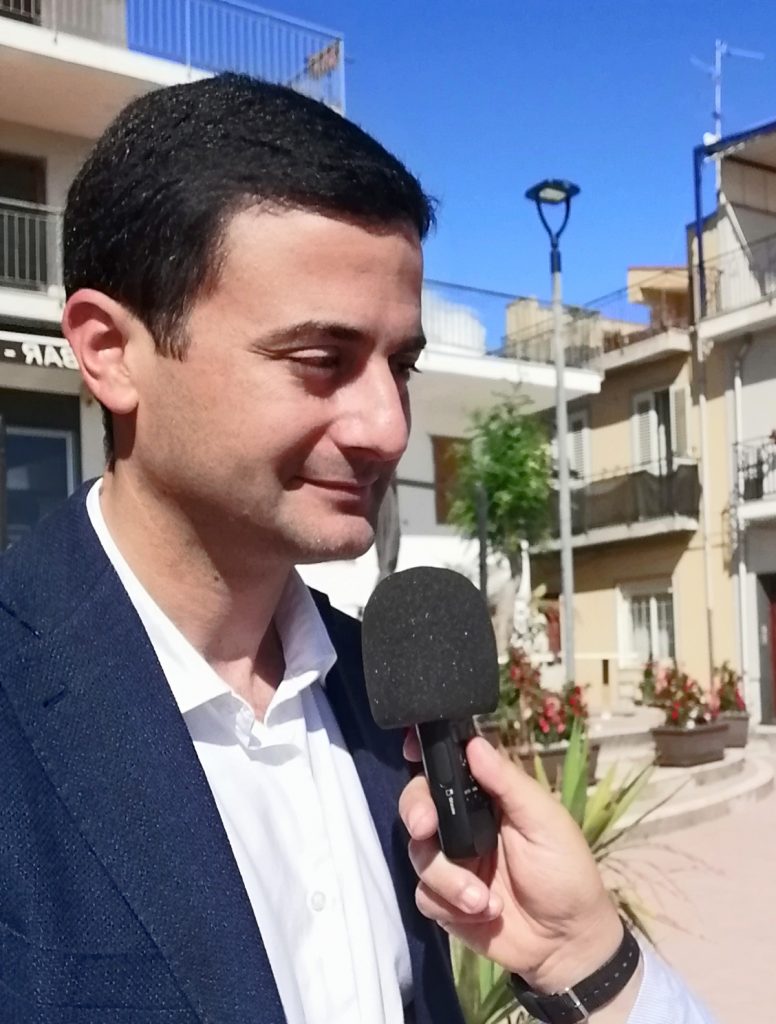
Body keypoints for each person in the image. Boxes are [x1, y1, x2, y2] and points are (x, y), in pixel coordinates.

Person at [0, 73, 714, 1024]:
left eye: (399, 365)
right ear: (109, 350)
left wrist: (582, 962)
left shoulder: (394, 705)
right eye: (320, 361)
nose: (388, 426)